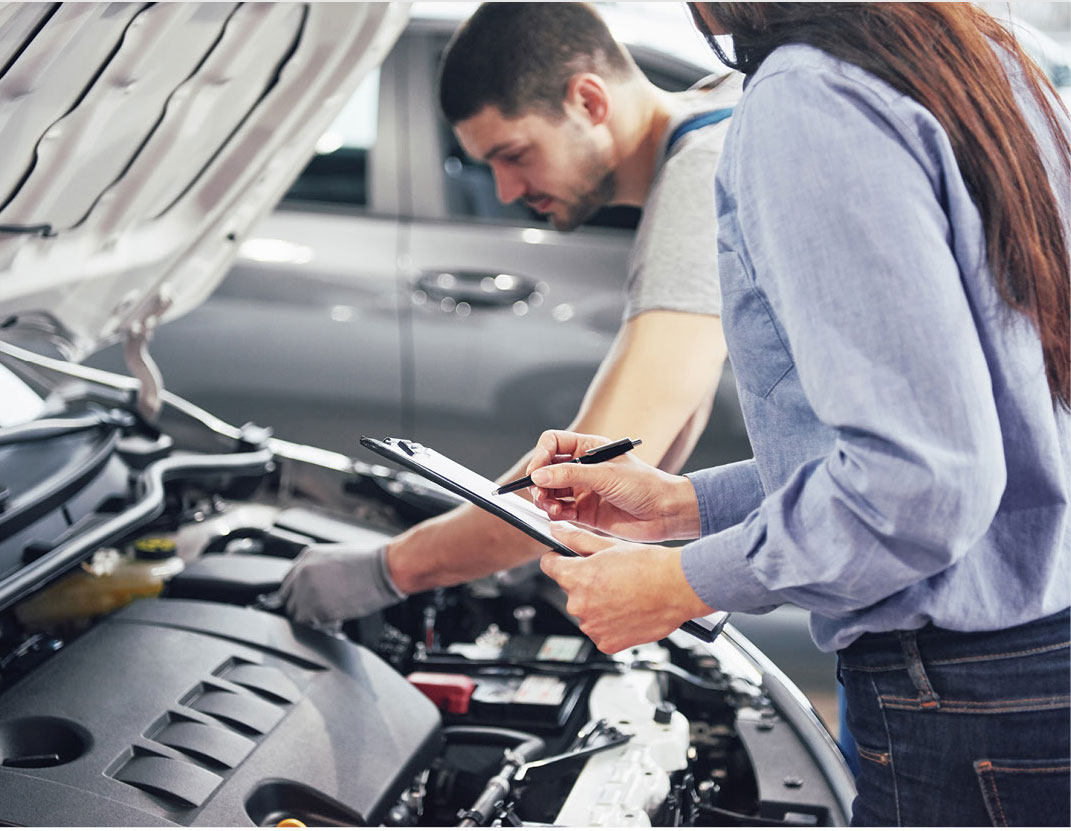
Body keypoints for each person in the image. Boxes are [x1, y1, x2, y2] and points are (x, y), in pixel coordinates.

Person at [525, 3, 1070, 826]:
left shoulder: (808, 99)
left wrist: (680, 582)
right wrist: (687, 506)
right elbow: (980, 426)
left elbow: (918, 483)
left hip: (965, 702)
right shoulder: (974, 55)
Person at [279, 5, 742, 626]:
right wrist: (541, 545)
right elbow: (667, 422)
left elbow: (585, 473)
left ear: (588, 100)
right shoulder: (717, 113)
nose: (503, 191)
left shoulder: (699, 178)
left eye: (515, 154)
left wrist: (389, 568)